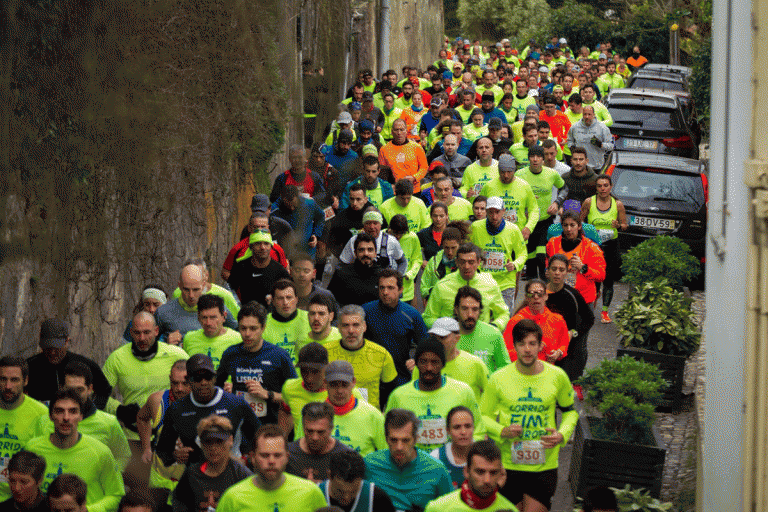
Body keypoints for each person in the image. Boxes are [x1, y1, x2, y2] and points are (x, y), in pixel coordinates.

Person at [479, 320, 578, 512]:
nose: (527, 349)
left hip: (543, 465)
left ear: (541, 346)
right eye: (522, 344)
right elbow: (482, 416)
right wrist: (502, 431)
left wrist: (562, 435)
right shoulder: (499, 378)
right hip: (508, 464)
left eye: (532, 343)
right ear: (514, 346)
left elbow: (570, 412)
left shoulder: (557, 376)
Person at [102, 312, 189, 484]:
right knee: (139, 493)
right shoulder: (117, 358)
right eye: (137, 332)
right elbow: (99, 395)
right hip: (133, 437)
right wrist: (119, 409)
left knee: (170, 490)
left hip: (171, 437)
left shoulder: (176, 354)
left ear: (156, 331)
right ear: (131, 333)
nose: (142, 338)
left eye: (147, 332)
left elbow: (195, 387)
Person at [26, 389, 125, 512]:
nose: (66, 418)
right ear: (51, 416)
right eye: (59, 411)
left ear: (81, 416)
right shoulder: (33, 449)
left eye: (73, 411)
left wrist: (89, 510)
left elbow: (117, 495)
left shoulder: (100, 452)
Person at [155, 354, 261, 469]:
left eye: (208, 376)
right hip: (197, 478)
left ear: (215, 378)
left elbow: (259, 438)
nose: (204, 382)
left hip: (232, 475)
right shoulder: (177, 410)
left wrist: (246, 460)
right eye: (197, 378)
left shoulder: (236, 404)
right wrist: (175, 456)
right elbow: (162, 450)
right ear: (188, 380)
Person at [385, 337, 484, 451]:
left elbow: (478, 430)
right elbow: (387, 434)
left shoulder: (463, 392)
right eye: (423, 361)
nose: (429, 368)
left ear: (443, 364)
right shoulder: (398, 396)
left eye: (435, 362)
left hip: (450, 464)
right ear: (416, 363)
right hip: (413, 465)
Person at [35, 363, 131, 472]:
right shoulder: (44, 421)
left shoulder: (109, 423)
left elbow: (123, 455)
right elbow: (35, 454)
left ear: (90, 389)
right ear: (61, 387)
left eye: (79, 390)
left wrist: (108, 475)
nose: (75, 395)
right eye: (70, 390)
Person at [216, 301, 296, 427]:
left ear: (263, 327)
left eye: (253, 328)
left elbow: (295, 396)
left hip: (269, 428)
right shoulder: (230, 354)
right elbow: (216, 389)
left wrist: (268, 394)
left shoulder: (279, 356)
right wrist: (227, 393)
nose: (247, 334)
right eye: (243, 328)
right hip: (239, 428)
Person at [215, 424, 326, 512]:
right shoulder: (232, 498)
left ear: (287, 457)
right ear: (253, 458)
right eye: (265, 455)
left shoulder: (311, 493)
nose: (271, 461)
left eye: (277, 455)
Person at [364, 409, 453, 511]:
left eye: (405, 440)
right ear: (386, 438)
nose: (399, 447)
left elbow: (450, 507)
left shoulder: (437, 470)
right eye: (393, 440)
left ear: (416, 439)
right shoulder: (370, 464)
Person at [362, 269, 428, 390]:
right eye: (382, 288)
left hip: (400, 377)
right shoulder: (366, 311)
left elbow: (425, 345)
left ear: (400, 290)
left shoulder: (411, 314)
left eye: (390, 288)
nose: (385, 292)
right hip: (371, 376)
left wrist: (416, 360)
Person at [170, 415, 252, 512]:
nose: (213, 448)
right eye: (208, 442)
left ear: (230, 440)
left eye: (219, 441)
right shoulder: (192, 473)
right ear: (201, 443)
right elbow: (179, 502)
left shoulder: (241, 474)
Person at [25, 320, 112, 410]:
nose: (52, 352)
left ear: (67, 341)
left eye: (57, 347)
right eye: (48, 347)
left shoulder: (85, 364)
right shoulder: (29, 366)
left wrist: (92, 412)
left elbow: (104, 389)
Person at [136, 359, 190, 504]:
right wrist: (146, 448)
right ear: (170, 379)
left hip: (188, 483)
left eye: (185, 383)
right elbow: (142, 418)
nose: (179, 388)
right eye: (175, 383)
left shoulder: (205, 404)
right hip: (159, 479)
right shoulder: (157, 400)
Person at [324, 305, 397, 410]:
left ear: (364, 326)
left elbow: (392, 391)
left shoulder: (381, 354)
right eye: (345, 325)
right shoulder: (325, 353)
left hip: (368, 419)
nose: (351, 330)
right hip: (334, 417)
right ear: (338, 327)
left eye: (356, 325)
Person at [423, 243, 509, 331]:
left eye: (471, 262)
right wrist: (447, 327)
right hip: (452, 341)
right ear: (456, 262)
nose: (466, 266)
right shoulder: (442, 286)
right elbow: (428, 318)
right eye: (462, 262)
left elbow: (503, 313)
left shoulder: (490, 283)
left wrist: (494, 327)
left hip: (480, 340)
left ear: (479, 262)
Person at [0, 357, 49, 503]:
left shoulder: (41, 414)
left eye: (14, 380)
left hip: (21, 501)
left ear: (25, 381)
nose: (8, 386)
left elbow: (46, 457)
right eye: (3, 379)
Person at [544, 254, 595, 394]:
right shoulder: (539, 293)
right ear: (547, 271)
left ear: (567, 272)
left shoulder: (572, 294)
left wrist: (574, 332)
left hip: (566, 350)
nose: (557, 273)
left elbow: (589, 319)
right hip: (543, 349)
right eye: (553, 269)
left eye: (561, 270)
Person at [581, 175, 627, 324]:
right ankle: (591, 306)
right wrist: (586, 232)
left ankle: (605, 311)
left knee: (608, 280)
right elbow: (579, 221)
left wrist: (618, 225)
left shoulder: (617, 204)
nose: (602, 189)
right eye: (600, 186)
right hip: (594, 246)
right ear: (596, 188)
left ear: (611, 187)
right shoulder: (589, 202)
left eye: (605, 185)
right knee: (593, 278)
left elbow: (625, 225)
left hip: (611, 246)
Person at [515, 146, 567, 280]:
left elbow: (564, 188)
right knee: (530, 251)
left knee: (541, 252)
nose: (535, 160)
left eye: (538, 157)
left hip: (545, 219)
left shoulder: (551, 174)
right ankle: (532, 276)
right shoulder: (519, 174)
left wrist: (557, 203)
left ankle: (544, 276)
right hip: (527, 220)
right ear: (528, 159)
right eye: (532, 156)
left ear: (543, 160)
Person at [469, 196, 527, 311]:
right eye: (490, 212)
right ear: (486, 211)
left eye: (497, 212)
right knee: (482, 317)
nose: (494, 216)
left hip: (505, 282)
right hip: (482, 281)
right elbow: (468, 249)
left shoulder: (513, 229)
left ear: (503, 211)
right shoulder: (476, 227)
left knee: (504, 318)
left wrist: (515, 264)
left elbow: (523, 253)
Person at [156, 264, 238, 345]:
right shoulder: (163, 312)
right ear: (179, 286)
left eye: (196, 289)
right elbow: (149, 346)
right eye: (186, 289)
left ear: (203, 285)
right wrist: (165, 343)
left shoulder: (217, 308)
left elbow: (238, 333)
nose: (191, 295)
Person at [424, 440, 515, 512]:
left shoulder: (510, 510)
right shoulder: (437, 508)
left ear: (500, 474)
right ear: (466, 471)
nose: (487, 480)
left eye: (493, 473)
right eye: (480, 472)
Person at [324, 361, 386, 456]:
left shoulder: (373, 415)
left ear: (353, 382)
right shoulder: (313, 414)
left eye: (344, 384)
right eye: (334, 384)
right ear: (325, 384)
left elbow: (386, 455)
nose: (339, 391)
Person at [545, 210, 606, 304]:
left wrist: (583, 267)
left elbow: (601, 276)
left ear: (579, 226)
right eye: (565, 225)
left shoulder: (591, 247)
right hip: (557, 295)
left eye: (572, 225)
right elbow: (547, 264)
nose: (569, 229)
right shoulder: (553, 243)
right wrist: (548, 271)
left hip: (583, 299)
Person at [504, 279, 570, 365]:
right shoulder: (516, 321)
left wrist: (558, 353)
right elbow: (506, 351)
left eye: (540, 293)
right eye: (531, 294)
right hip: (523, 372)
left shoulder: (557, 320)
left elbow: (563, 344)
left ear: (546, 296)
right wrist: (531, 350)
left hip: (547, 373)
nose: (536, 297)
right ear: (526, 297)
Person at [479, 154, 540, 246]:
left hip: (518, 236)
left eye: (509, 171)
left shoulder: (524, 186)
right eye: (502, 172)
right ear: (498, 170)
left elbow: (534, 210)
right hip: (494, 236)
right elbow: (480, 208)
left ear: (514, 170)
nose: (506, 175)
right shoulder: (489, 186)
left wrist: (528, 228)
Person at [286, 402, 352, 483]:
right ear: (303, 427)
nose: (315, 437)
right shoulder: (288, 454)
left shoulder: (345, 457)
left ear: (331, 429)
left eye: (321, 432)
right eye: (310, 431)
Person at [453, 287, 511, 373]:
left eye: (475, 309)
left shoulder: (493, 334)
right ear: (456, 310)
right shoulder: (446, 336)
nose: (470, 315)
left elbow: (505, 368)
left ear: (480, 311)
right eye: (465, 309)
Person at [220, 212, 289, 283]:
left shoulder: (277, 249)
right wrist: (241, 285)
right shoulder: (238, 248)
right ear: (249, 228)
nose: (259, 230)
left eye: (263, 227)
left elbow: (285, 271)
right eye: (256, 227)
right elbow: (225, 272)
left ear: (268, 228)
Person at [317, 450, 395, 512]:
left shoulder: (378, 498)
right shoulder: (315, 494)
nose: (346, 498)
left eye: (353, 492)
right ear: (329, 476)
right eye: (340, 491)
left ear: (362, 479)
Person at [181, 294, 241, 371]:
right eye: (204, 318)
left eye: (213, 317)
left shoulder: (238, 340)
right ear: (198, 317)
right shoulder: (189, 338)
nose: (208, 323)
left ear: (224, 316)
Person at [339, 211, 407, 275]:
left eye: (375, 223)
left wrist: (397, 279)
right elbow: (343, 264)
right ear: (363, 225)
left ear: (381, 225)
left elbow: (402, 262)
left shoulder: (391, 240)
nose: (372, 227)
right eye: (368, 223)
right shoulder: (354, 240)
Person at [328, 233, 387, 307]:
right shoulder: (342, 274)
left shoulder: (383, 276)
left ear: (375, 253)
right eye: (361, 250)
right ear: (355, 253)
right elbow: (330, 302)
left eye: (370, 250)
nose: (366, 254)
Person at [262, 279, 310, 365]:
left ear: (296, 299)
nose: (285, 302)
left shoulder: (310, 319)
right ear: (273, 301)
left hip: (304, 376)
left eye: (289, 297)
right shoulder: (262, 324)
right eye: (280, 298)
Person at [270, 185, 325, 258]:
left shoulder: (309, 204)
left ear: (298, 197)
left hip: (308, 252)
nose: (292, 208)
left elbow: (320, 217)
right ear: (283, 199)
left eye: (294, 205)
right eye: (288, 206)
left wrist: (316, 234)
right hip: (287, 253)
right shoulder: (274, 210)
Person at [428, 406, 475, 490]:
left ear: (473, 428)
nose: (463, 432)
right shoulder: (436, 457)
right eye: (457, 427)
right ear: (448, 431)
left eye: (468, 426)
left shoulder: (486, 454)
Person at [379, 119, 429, 193]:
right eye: (396, 130)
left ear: (406, 131)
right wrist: (388, 186)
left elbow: (424, 167)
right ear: (392, 132)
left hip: (413, 190)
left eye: (401, 130)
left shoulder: (416, 147)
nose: (399, 133)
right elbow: (382, 172)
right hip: (394, 191)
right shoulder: (384, 149)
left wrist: (414, 177)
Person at [420, 226, 462, 302]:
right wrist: (437, 291)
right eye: (446, 248)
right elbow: (423, 289)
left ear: (459, 245)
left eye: (453, 248)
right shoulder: (433, 262)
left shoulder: (466, 262)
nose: (450, 252)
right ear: (442, 245)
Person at [566, 105, 613, 169]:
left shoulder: (603, 128)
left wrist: (601, 144)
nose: (587, 117)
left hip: (596, 167)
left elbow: (611, 146)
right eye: (585, 114)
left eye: (589, 114)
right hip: (580, 166)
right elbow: (569, 140)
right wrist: (571, 147)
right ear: (582, 114)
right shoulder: (575, 127)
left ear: (593, 115)